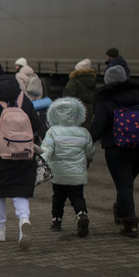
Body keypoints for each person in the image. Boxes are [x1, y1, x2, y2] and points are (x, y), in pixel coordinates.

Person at [0, 60, 42, 250]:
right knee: (20, 188)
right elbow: (37, 124)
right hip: (23, 152)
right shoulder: (21, 95)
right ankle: (24, 221)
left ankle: (0, 230)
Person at [90, 65, 139, 237]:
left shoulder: (105, 101)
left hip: (117, 150)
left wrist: (82, 143)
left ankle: (131, 225)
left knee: (124, 186)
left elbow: (97, 129)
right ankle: (120, 211)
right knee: (126, 184)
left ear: (107, 81)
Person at [39, 97, 95, 237]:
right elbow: (90, 151)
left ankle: (56, 220)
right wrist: (88, 160)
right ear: (78, 114)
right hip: (77, 174)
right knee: (77, 196)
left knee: (58, 197)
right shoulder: (84, 132)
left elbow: (46, 150)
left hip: (58, 173)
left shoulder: (53, 131)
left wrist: (41, 160)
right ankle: (81, 215)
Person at [62, 58, 98, 128]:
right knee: (87, 130)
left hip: (77, 110)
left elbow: (68, 97)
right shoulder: (92, 81)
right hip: (89, 109)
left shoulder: (74, 82)